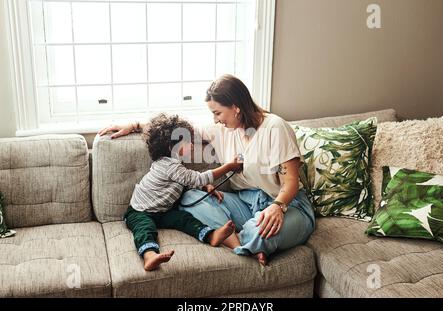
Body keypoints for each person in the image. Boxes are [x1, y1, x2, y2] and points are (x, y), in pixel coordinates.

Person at [99, 74, 315, 266]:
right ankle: (250, 244)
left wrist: (277, 207)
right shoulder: (222, 130)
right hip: (247, 202)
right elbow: (173, 133)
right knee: (190, 197)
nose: (215, 119)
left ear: (236, 107)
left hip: (287, 205)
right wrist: (136, 124)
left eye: (217, 112)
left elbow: (291, 182)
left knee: (259, 232)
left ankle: (249, 242)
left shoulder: (275, 127)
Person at [116, 113, 242, 271]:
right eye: (187, 142)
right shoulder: (168, 165)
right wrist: (228, 166)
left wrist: (204, 187)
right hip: (140, 212)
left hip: (163, 212)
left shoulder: (176, 165)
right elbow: (196, 178)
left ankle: (211, 236)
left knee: (185, 219)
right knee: (145, 229)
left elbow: (183, 182)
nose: (192, 145)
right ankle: (149, 256)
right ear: (171, 147)